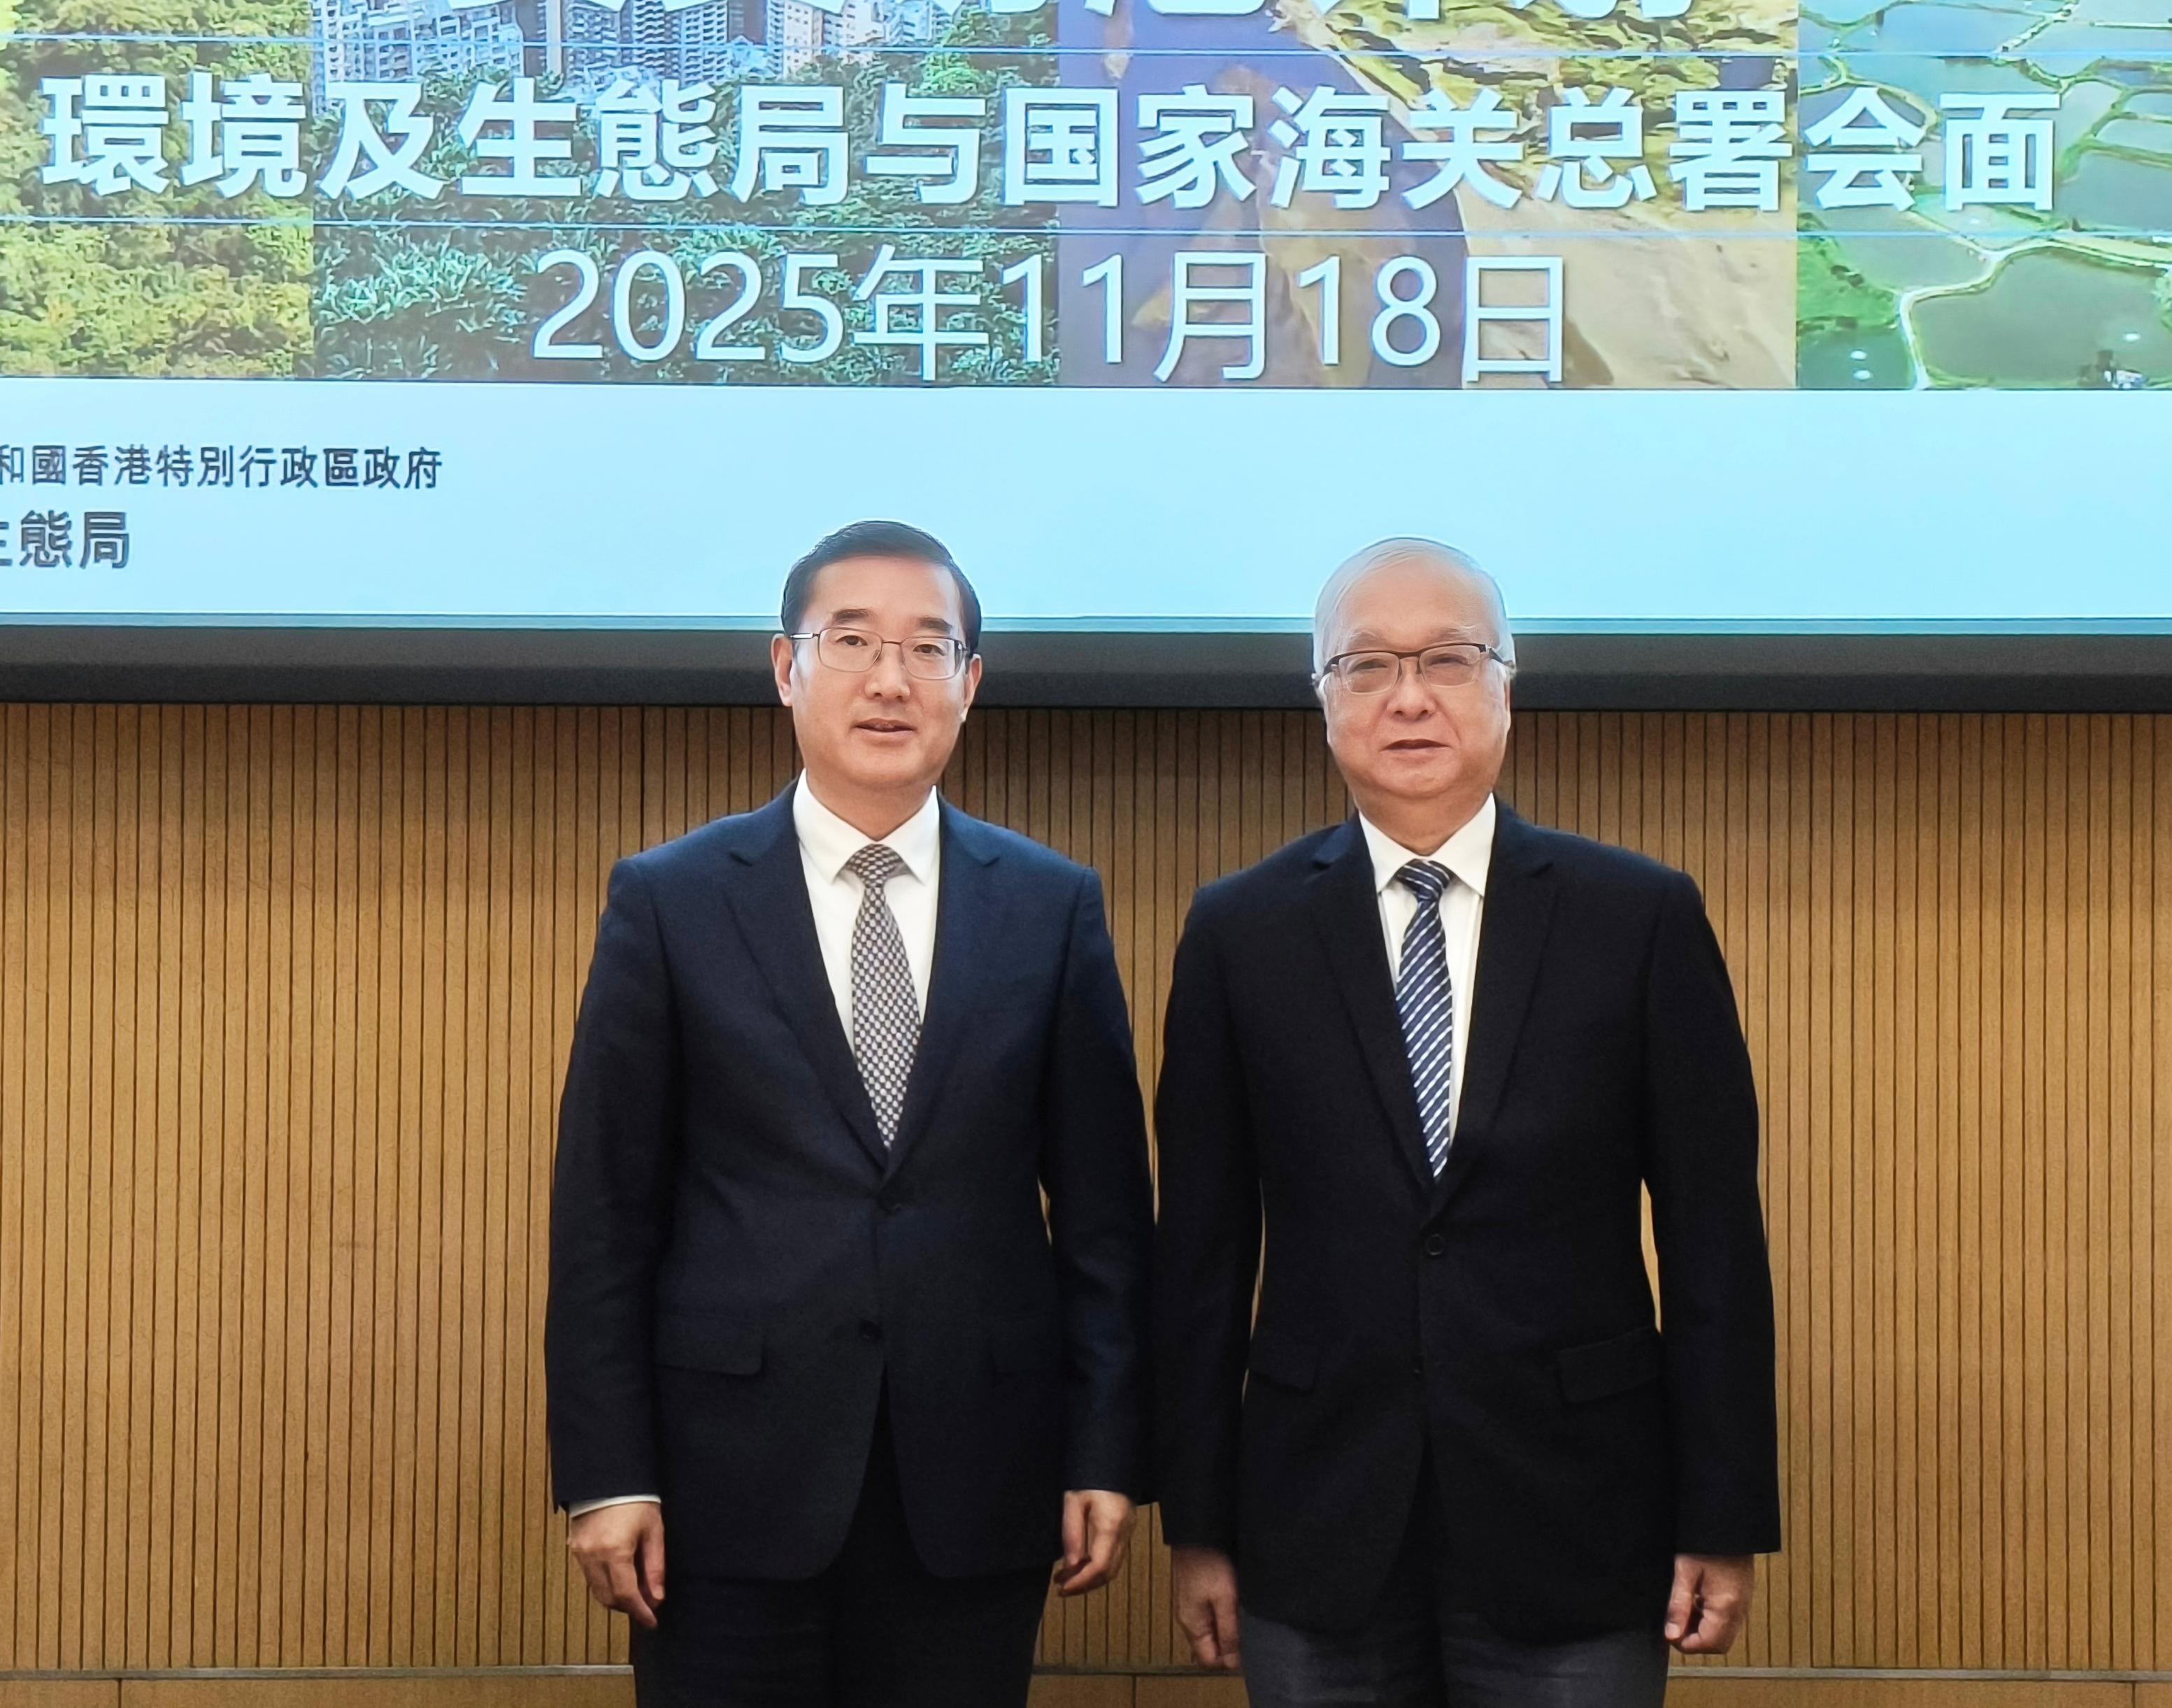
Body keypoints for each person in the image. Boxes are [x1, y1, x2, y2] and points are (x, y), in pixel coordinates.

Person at [1152, 538, 1780, 1707]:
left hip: (1580, 1516)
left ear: (1504, 680)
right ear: (1322, 698)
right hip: (1313, 1517)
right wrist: (1197, 1522)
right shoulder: (1240, 933)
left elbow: (1712, 1242)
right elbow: (1198, 1251)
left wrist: (1721, 1509)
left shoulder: (1636, 918)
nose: (1407, 696)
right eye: (1366, 666)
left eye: (1446, 659)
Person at [547, 519, 1154, 1707]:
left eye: (930, 648)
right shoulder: (671, 901)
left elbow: (1103, 1221)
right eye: (854, 641)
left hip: (978, 1479)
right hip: (724, 1488)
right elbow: (604, 1214)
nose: (890, 678)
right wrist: (607, 1471)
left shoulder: (1048, 906)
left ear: (969, 685)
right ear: (787, 668)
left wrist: (1106, 1449)